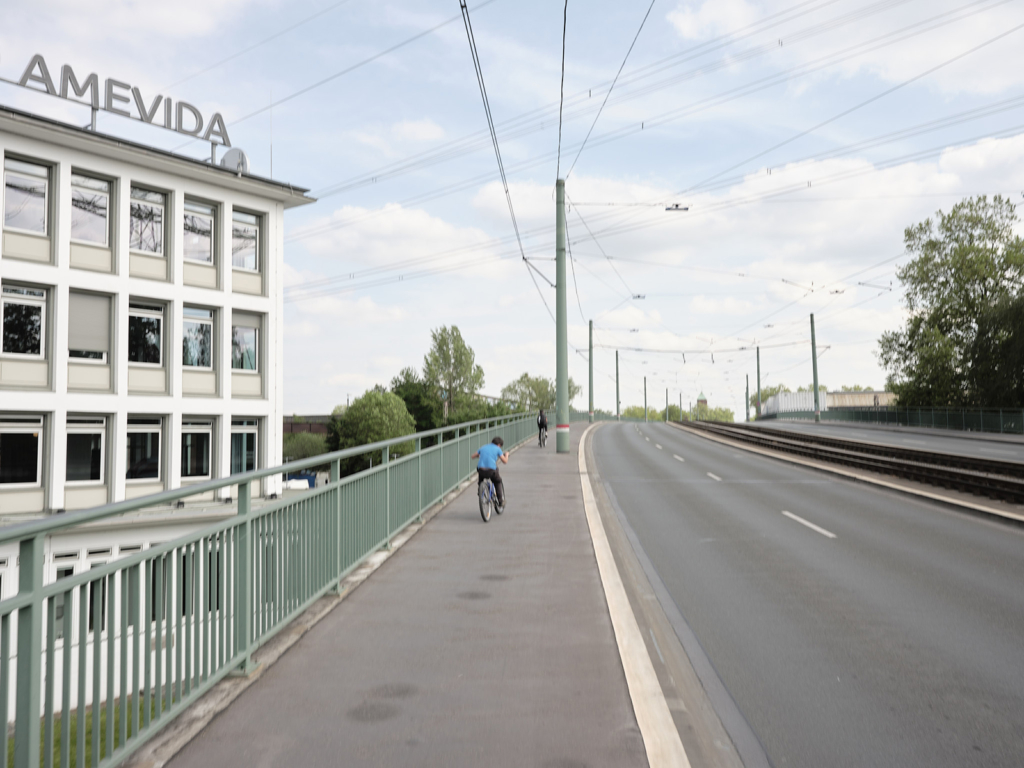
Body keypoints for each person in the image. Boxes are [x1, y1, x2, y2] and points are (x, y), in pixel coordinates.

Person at [472, 436, 507, 506]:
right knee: (498, 481)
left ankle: (480, 488)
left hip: (481, 470)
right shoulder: (497, 449)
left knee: (481, 474)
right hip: (491, 470)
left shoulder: (483, 447)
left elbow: (473, 456)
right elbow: (505, 461)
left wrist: (480, 456)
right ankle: (500, 501)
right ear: (499, 445)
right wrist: (507, 455)